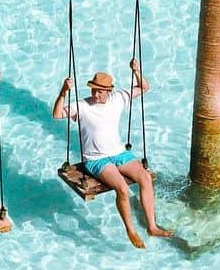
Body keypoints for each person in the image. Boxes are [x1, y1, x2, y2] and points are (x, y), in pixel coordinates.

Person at [52, 60, 171, 249]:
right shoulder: (82, 106)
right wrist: (63, 92)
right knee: (122, 189)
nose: (95, 93)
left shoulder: (118, 98)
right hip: (96, 159)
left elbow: (144, 87)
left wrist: (136, 71)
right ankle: (131, 230)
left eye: (99, 90)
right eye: (93, 89)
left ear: (109, 91)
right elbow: (57, 115)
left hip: (119, 153)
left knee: (145, 178)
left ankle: (152, 227)